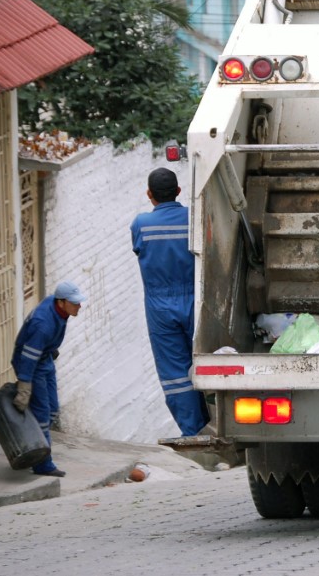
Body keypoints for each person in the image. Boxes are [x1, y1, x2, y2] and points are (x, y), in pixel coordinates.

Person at [130, 168, 208, 437]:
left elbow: (140, 249)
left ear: (149, 195)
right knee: (206, 360)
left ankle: (193, 431)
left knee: (175, 373)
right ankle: (214, 419)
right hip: (196, 300)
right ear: (178, 191)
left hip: (160, 306)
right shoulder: (193, 218)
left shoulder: (140, 224)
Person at [10, 281, 86, 477]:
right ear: (61, 302)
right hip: (32, 364)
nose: (79, 306)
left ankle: (32, 447)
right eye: (75, 303)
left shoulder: (60, 309)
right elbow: (28, 356)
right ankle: (42, 464)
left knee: (52, 410)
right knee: (42, 414)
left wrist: (52, 350)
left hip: (45, 359)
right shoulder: (43, 324)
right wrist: (24, 385)